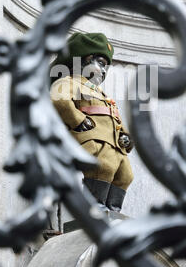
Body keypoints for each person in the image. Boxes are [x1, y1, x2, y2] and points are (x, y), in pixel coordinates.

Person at [50, 32, 134, 212]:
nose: (104, 71)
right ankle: (94, 210)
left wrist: (125, 135)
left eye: (106, 67)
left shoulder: (102, 94)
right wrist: (79, 120)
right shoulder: (70, 81)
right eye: (101, 64)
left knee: (125, 175)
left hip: (113, 144)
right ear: (83, 61)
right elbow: (60, 100)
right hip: (93, 140)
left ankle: (113, 211)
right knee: (103, 168)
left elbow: (114, 117)